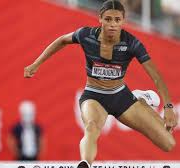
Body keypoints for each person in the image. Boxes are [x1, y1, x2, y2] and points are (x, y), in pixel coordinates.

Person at [24, 0, 177, 167]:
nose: (112, 24)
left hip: (121, 97)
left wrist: (168, 107)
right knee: (91, 127)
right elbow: (61, 40)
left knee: (168, 144)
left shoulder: (132, 43)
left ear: (123, 21)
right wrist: (36, 64)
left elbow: (156, 76)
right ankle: (85, 163)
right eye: (108, 19)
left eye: (117, 20)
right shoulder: (86, 35)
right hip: (94, 96)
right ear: (100, 19)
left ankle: (139, 99)